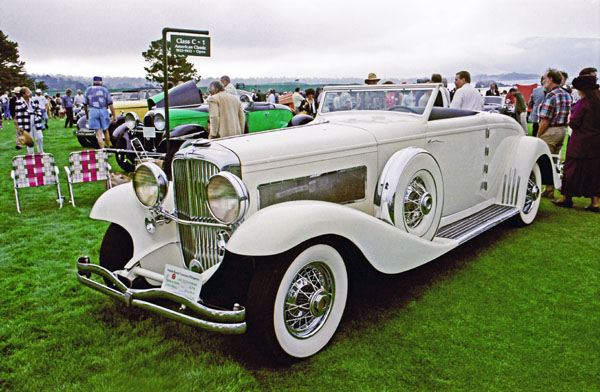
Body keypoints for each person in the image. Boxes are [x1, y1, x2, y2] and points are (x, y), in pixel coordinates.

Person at [551, 75, 600, 212]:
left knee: (572, 169)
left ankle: (567, 198)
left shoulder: (582, 104)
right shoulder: (598, 102)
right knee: (594, 171)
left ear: (582, 90)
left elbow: (574, 123)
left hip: (580, 142)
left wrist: (570, 118)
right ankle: (595, 202)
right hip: (596, 143)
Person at [537, 68, 573, 198]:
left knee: (544, 159)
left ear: (551, 80)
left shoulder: (552, 95)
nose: (544, 81)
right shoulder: (566, 93)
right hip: (562, 129)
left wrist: (538, 135)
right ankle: (550, 188)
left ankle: (548, 187)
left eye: (545, 78)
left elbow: (545, 119)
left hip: (551, 130)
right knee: (553, 159)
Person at [84, 76, 116, 149]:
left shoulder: (88, 90)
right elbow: (110, 104)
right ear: (101, 82)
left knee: (98, 133)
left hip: (93, 111)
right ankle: (108, 149)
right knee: (106, 131)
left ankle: (102, 150)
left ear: (93, 82)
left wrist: (87, 116)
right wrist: (114, 116)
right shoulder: (105, 90)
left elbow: (85, 105)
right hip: (103, 110)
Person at [13, 87, 44, 153]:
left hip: (35, 121)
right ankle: (31, 154)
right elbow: (19, 115)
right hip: (26, 122)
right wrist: (21, 126)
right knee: (29, 139)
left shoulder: (34, 100)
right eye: (28, 92)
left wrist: (38, 117)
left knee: (40, 137)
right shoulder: (18, 102)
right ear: (23, 94)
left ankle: (41, 152)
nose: (30, 93)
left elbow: (38, 109)